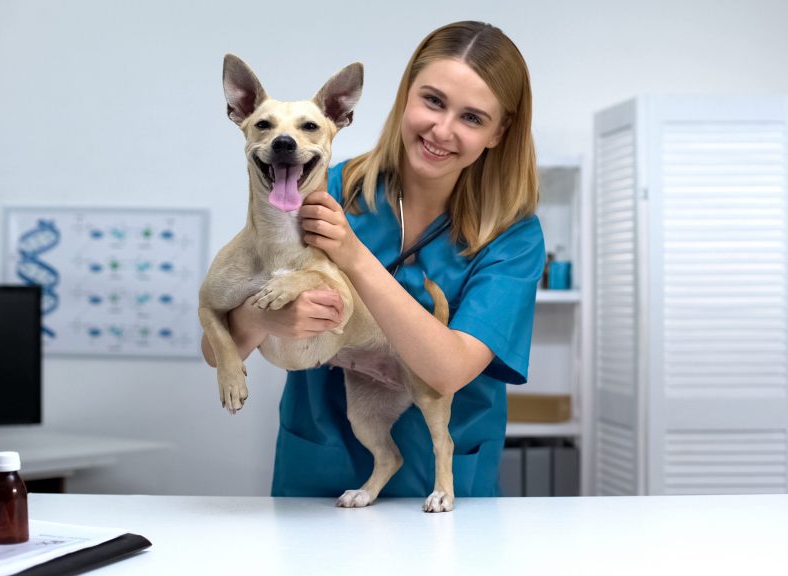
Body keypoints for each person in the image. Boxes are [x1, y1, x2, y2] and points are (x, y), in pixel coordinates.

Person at [204, 20, 544, 498]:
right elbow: (217, 349)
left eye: (472, 118)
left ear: (498, 132)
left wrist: (354, 257)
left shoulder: (514, 236)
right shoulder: (321, 183)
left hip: (446, 481)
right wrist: (265, 316)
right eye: (433, 100)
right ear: (406, 95)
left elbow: (447, 370)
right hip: (320, 469)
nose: (442, 129)